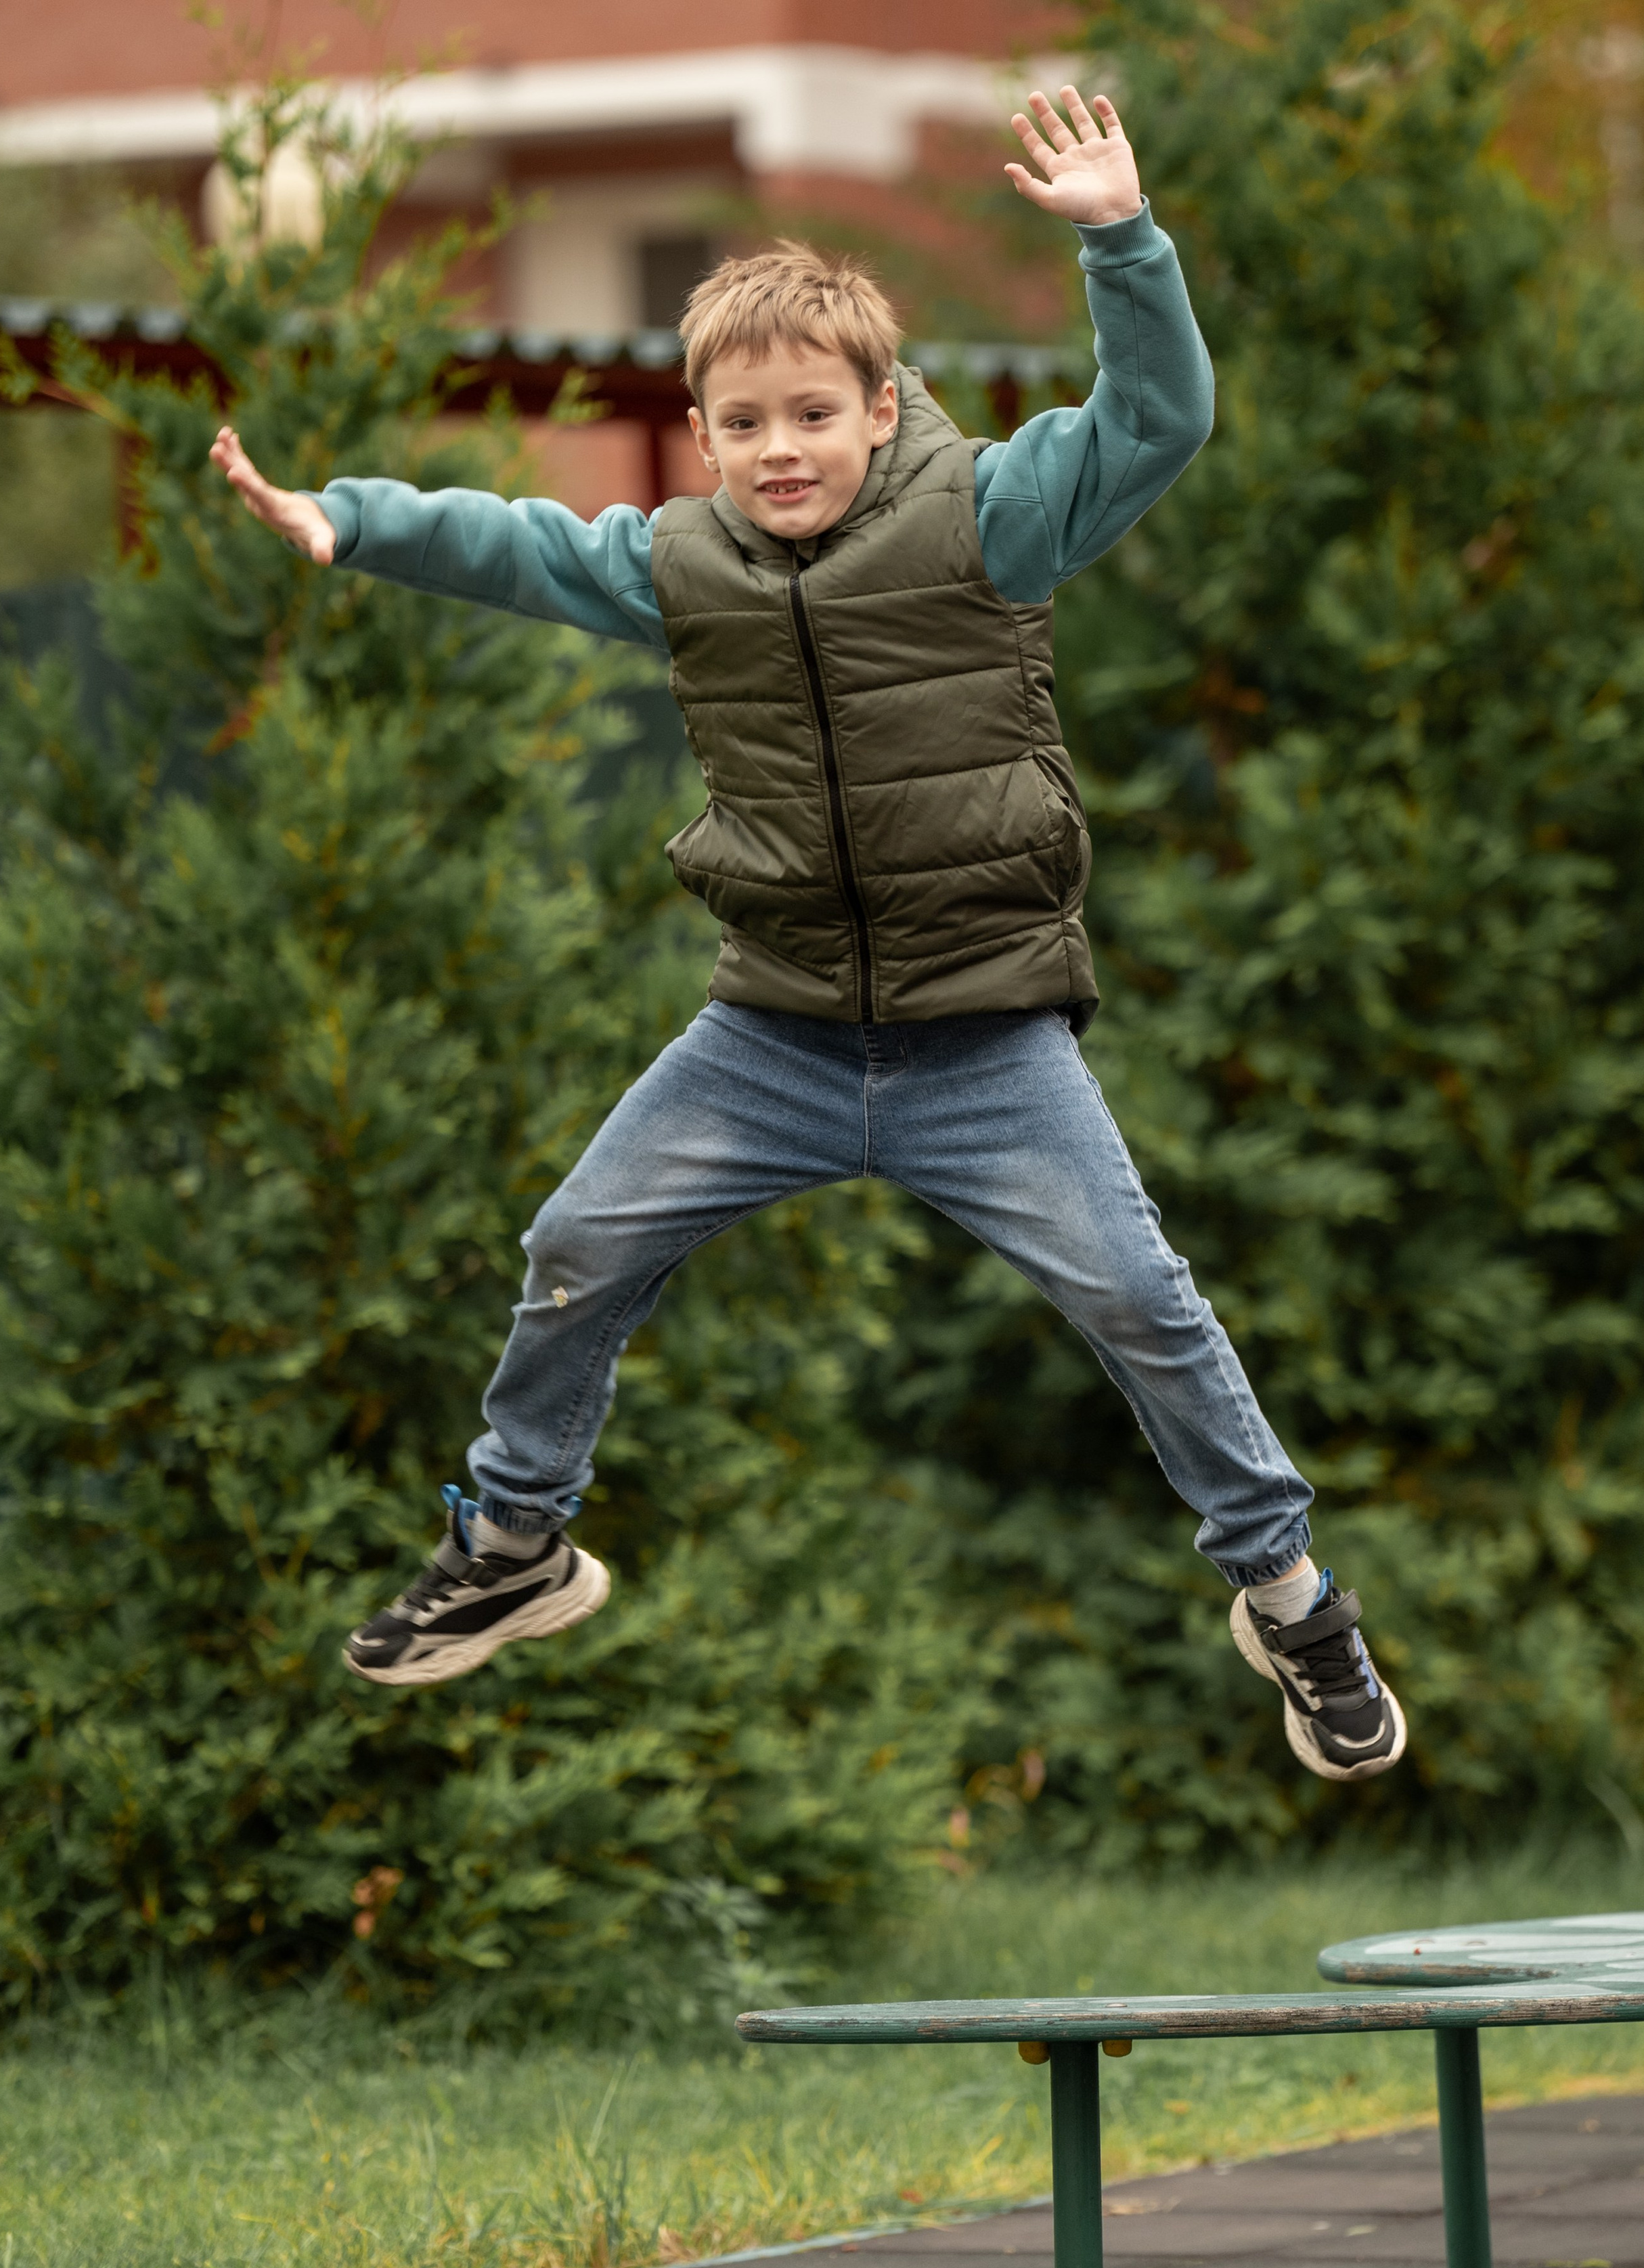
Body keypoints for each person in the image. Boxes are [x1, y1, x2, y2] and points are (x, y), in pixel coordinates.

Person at [211, 87, 1405, 1783]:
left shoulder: (990, 517)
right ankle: (517, 1542)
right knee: (575, 1244)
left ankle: (1286, 1593)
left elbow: (1159, 419)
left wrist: (1119, 243)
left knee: (1143, 1301)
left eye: (812, 416)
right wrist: (359, 520)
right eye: (742, 422)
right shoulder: (684, 564)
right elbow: (528, 544)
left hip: (981, 1044)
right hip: (766, 1035)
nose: (780, 449)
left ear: (878, 408)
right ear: (697, 435)